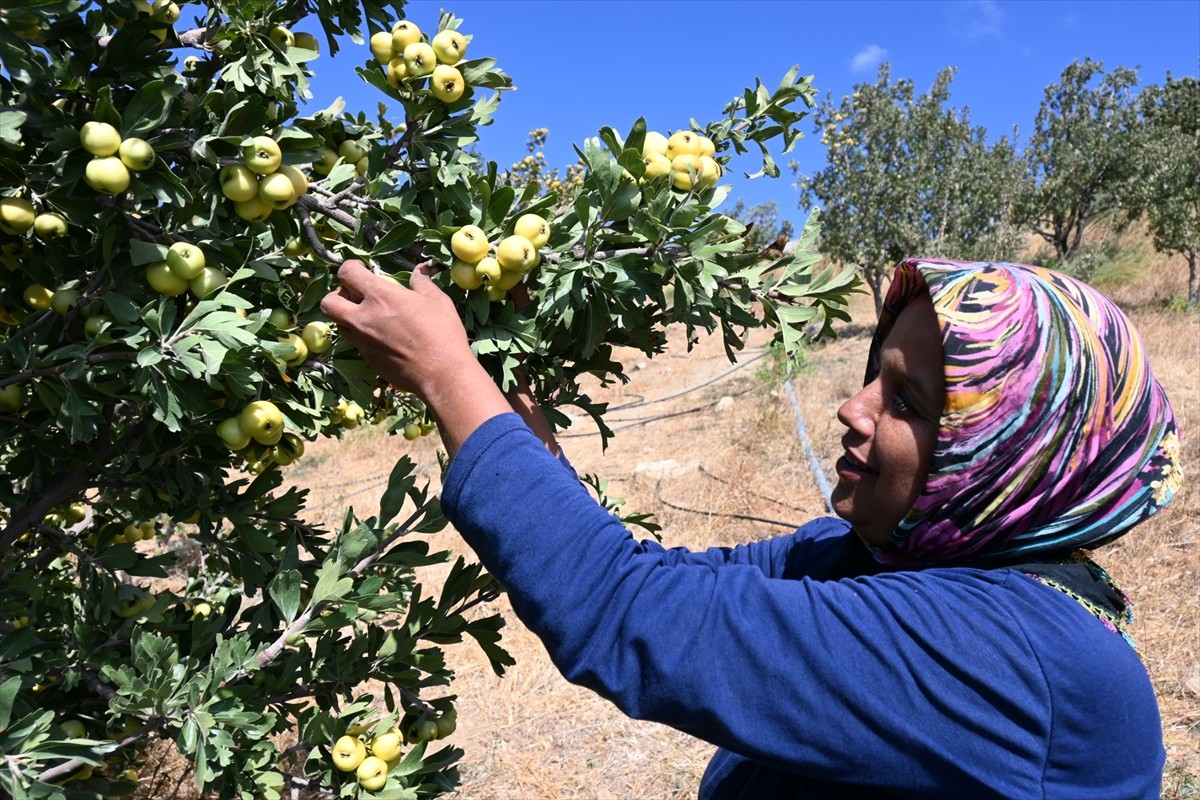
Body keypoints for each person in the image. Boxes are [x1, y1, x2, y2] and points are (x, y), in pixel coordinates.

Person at [321, 257, 1182, 799]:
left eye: (907, 403)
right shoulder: (868, 560)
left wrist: (447, 374)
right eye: (872, 377)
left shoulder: (1015, 659)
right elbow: (676, 582)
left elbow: (630, 615)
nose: (853, 410)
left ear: (1015, 454)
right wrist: (530, 457)